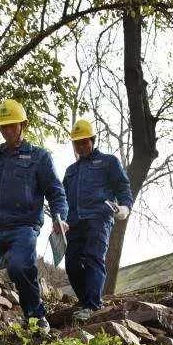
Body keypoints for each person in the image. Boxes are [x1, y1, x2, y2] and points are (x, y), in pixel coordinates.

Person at [0, 99, 68, 345]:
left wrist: (60, 216)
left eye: (12, 126)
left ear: (23, 125)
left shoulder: (39, 157)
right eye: (3, 127)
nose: (7, 131)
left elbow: (56, 192)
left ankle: (35, 317)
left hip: (23, 227)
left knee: (20, 266)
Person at [63, 119, 133, 321]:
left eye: (84, 142)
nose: (81, 146)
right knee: (72, 264)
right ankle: (86, 300)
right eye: (77, 143)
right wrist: (59, 222)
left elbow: (122, 186)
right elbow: (62, 197)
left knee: (94, 258)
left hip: (99, 218)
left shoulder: (108, 162)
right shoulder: (71, 171)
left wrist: (125, 207)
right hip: (74, 222)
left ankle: (92, 305)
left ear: (92, 140)